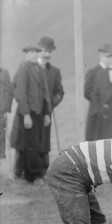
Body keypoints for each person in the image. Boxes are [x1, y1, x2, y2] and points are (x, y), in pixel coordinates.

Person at [11, 43, 51, 185]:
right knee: (31, 145)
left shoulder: (39, 68)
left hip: (39, 113)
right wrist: (26, 114)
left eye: (36, 52)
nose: (34, 54)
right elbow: (20, 93)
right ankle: (34, 176)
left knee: (38, 144)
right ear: (26, 54)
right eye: (31, 52)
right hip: (29, 113)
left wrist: (46, 113)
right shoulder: (23, 69)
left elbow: (44, 94)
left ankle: (32, 174)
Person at [37, 36, 65, 176]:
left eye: (49, 51)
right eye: (44, 50)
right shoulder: (29, 67)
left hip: (45, 113)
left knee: (43, 141)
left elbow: (59, 92)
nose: (47, 54)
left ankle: (43, 172)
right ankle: (22, 172)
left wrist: (50, 105)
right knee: (26, 141)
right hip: (29, 112)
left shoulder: (54, 71)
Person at [0, 65, 12, 176]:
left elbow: (9, 92)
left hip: (0, 112)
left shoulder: (4, 72)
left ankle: (2, 169)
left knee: (1, 139)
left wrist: (5, 109)